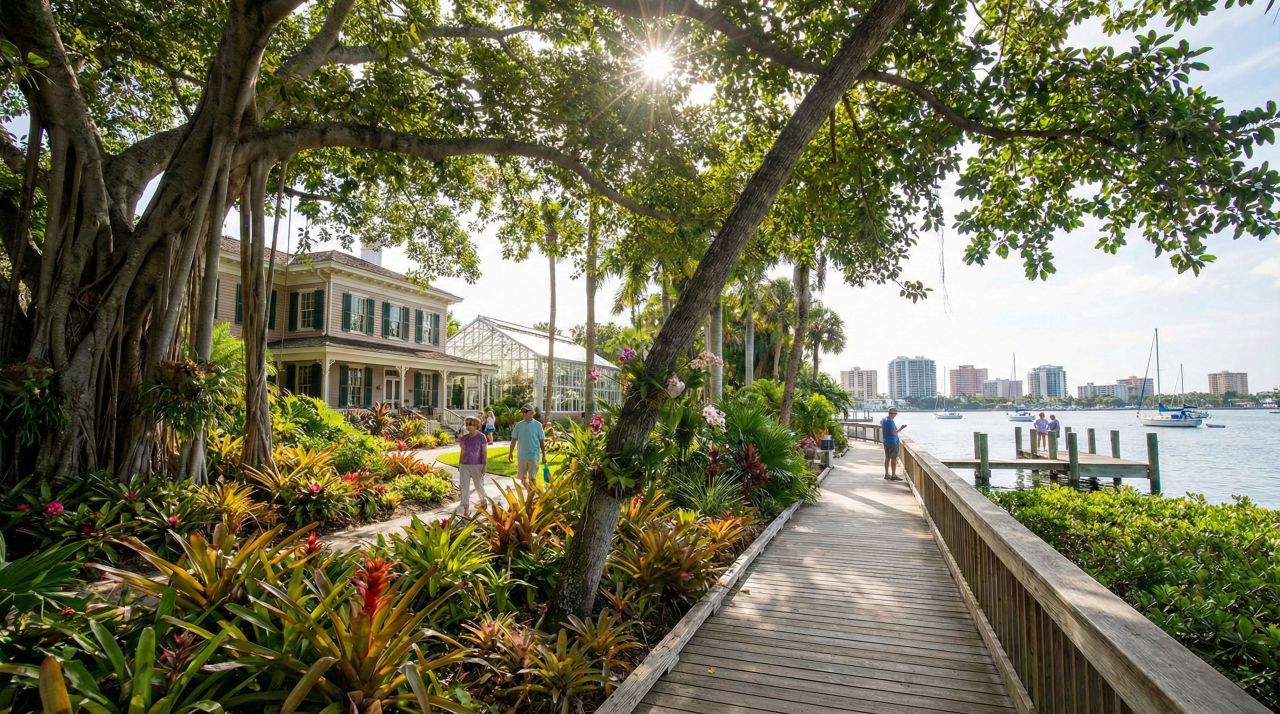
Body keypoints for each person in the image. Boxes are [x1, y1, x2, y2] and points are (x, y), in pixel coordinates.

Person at [458, 417, 488, 516]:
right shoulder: (464, 438)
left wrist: (484, 465)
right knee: (464, 487)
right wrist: (459, 464)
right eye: (467, 424)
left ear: (476, 426)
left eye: (471, 424)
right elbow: (462, 452)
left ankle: (483, 500)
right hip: (464, 465)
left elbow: (484, 452)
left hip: (478, 464)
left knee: (478, 485)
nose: (468, 427)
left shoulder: (482, 437)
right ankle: (466, 509)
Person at [508, 404, 546, 483]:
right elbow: (514, 439)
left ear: (532, 413)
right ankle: (529, 494)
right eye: (522, 412)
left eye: (526, 411)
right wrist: (510, 452)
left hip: (533, 456)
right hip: (521, 456)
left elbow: (541, 441)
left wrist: (544, 455)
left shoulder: (538, 425)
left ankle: (531, 494)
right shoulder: (518, 425)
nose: (524, 413)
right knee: (522, 480)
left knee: (532, 479)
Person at [880, 408, 906, 481]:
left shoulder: (884, 420)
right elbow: (893, 433)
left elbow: (881, 424)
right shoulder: (890, 421)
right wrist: (902, 428)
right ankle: (894, 475)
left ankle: (886, 474)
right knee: (893, 458)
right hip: (892, 442)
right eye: (895, 414)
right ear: (893, 414)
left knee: (887, 458)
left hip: (886, 441)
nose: (895, 415)